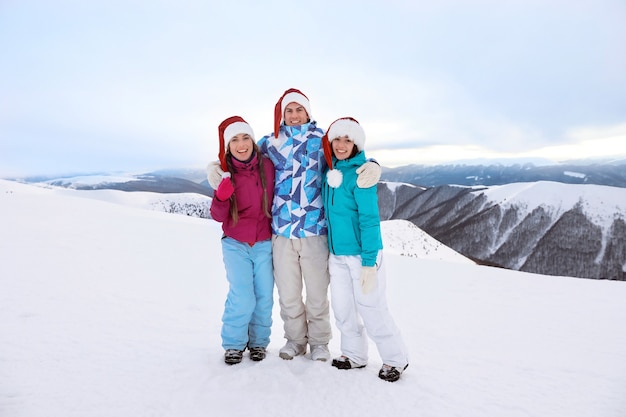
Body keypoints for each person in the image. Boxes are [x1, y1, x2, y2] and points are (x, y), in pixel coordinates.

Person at [207, 88, 382, 362]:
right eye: (289, 110)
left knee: (315, 295)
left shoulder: (322, 140)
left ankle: (320, 343)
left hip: (314, 231)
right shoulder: (270, 142)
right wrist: (214, 169)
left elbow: (348, 155)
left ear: (308, 112)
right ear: (281, 114)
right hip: (281, 231)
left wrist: (374, 164)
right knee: (288, 296)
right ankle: (295, 341)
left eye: (299, 109)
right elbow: (241, 156)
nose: (294, 115)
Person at [321, 117, 409, 382]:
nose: (341, 144)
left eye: (348, 140)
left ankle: (395, 359)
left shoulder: (363, 174)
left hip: (363, 255)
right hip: (337, 255)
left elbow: (369, 220)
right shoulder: (330, 172)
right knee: (343, 308)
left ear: (357, 144)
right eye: (337, 138)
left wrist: (369, 262)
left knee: (372, 307)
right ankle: (355, 355)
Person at [209, 116, 275, 365]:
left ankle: (259, 342)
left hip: (264, 242)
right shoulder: (224, 174)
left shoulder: (267, 166)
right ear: (228, 146)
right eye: (235, 140)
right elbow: (217, 216)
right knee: (242, 295)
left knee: (264, 296)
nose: (241, 144)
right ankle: (234, 344)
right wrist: (222, 197)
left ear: (252, 140)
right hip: (235, 243)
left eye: (245, 137)